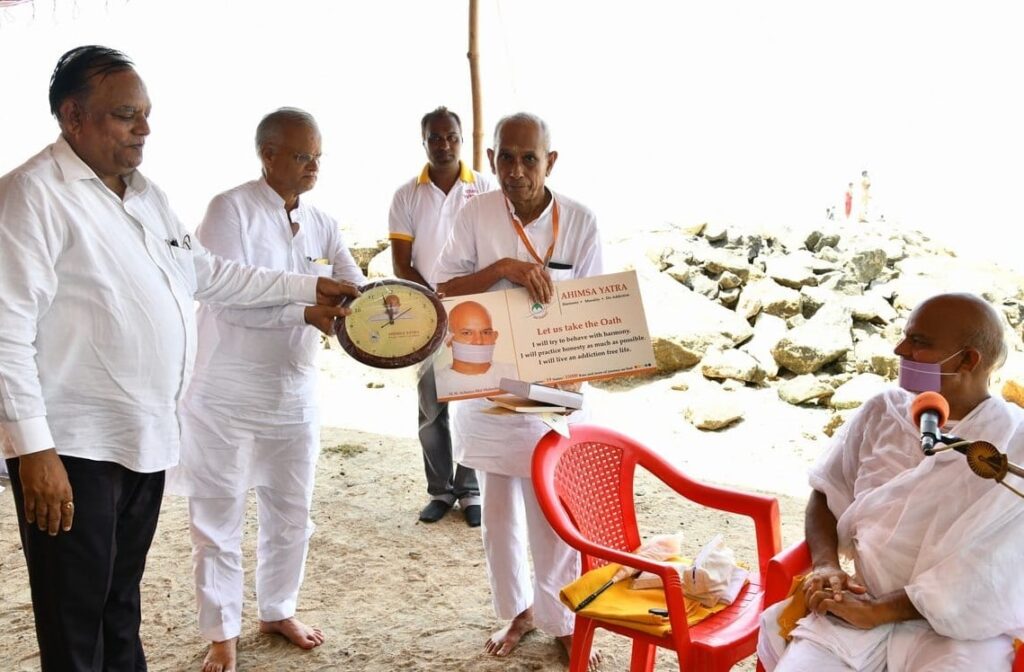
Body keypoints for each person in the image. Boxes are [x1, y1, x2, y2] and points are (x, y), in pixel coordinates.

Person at [0, 46, 356, 672]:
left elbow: (206, 272)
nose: (143, 129)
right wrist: (33, 450)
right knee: (74, 617)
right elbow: (5, 330)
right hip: (73, 446)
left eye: (145, 114)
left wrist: (306, 287)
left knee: (119, 604)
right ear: (72, 117)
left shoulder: (145, 194)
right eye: (125, 115)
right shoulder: (31, 196)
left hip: (143, 436)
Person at [164, 108, 365, 672]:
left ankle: (277, 609)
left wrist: (391, 315)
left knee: (292, 513)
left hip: (294, 393)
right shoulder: (229, 209)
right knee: (218, 519)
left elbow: (353, 285)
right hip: (225, 396)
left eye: (318, 156)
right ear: (268, 155)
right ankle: (221, 632)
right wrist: (305, 311)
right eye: (303, 156)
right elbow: (224, 295)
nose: (313, 166)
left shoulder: (322, 221)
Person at [758, 293, 1024, 671]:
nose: (900, 349)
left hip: (958, 629)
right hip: (858, 604)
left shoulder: (1015, 442)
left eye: (918, 342)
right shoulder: (884, 408)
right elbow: (826, 491)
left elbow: (993, 572)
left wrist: (883, 612)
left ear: (968, 360)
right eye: (904, 336)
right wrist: (825, 565)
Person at [435, 112, 603, 666]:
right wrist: (501, 268)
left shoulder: (580, 221)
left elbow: (594, 307)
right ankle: (517, 612)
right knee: (500, 512)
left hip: (550, 386)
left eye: (528, 158)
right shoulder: (473, 212)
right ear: (491, 160)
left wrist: (578, 368)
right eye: (505, 157)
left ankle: (560, 618)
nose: (515, 170)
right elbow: (443, 288)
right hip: (485, 386)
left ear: (549, 162)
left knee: (553, 513)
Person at [388, 106, 496, 526]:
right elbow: (401, 263)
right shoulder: (406, 195)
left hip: (475, 311)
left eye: (451, 136)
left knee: (474, 402)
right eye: (435, 137)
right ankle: (440, 490)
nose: (444, 144)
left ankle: (470, 491)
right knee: (432, 408)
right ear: (424, 141)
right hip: (429, 315)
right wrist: (435, 302)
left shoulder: (486, 188)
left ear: (461, 138)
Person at [433, 299, 518, 396]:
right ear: (448, 340)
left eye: (486, 332)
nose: (478, 341)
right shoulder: (436, 384)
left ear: (494, 336)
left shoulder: (515, 373)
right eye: (467, 333)